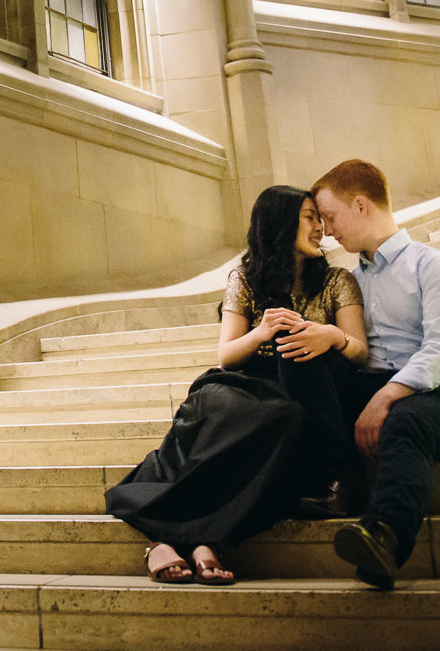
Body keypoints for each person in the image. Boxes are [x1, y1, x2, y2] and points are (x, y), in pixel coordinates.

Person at [105, 185, 367, 584]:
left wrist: (331, 335)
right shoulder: (245, 279)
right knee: (220, 410)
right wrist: (262, 332)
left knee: (282, 418)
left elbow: (360, 352)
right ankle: (196, 542)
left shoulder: (337, 280)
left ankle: (174, 539)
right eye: (310, 218)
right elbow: (226, 355)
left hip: (300, 387)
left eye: (320, 218)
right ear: (281, 224)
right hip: (244, 381)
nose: (320, 228)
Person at [312, 159, 440, 589]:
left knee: (405, 417)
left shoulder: (435, 267)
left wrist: (384, 398)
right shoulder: (348, 282)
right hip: (372, 391)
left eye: (330, 217)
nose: (328, 231)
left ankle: (383, 535)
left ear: (361, 205)